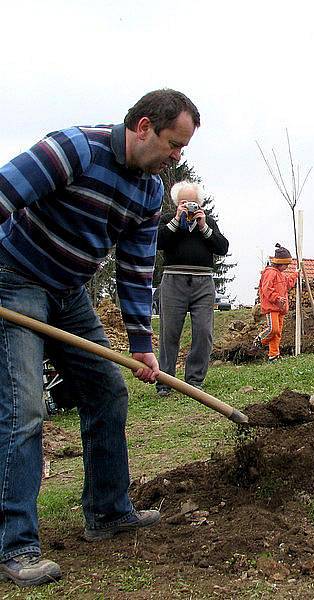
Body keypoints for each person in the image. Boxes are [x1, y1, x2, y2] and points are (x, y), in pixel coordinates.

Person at [0, 89, 200, 587]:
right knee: (25, 409)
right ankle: (15, 544)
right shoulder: (74, 149)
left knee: (107, 392)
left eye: (183, 150)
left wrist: (141, 344)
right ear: (143, 127)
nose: (177, 157)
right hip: (14, 281)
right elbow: (4, 192)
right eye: (173, 145)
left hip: (68, 293)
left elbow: (134, 270)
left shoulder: (151, 192)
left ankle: (109, 513)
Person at [156, 181, 230, 397]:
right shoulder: (167, 220)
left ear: (200, 204)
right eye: (184, 202)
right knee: (169, 332)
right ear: (177, 203)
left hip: (203, 282)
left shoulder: (208, 223)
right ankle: (165, 382)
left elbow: (222, 247)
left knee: (203, 332)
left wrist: (204, 227)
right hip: (173, 280)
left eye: (193, 203)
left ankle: (194, 381)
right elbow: (158, 242)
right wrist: (176, 220)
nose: (189, 206)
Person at [256, 244, 299, 361]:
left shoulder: (281, 274)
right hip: (272, 307)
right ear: (279, 263)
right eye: (286, 265)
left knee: (277, 332)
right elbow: (266, 289)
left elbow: (289, 284)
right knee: (273, 329)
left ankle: (273, 355)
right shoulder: (270, 272)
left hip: (281, 309)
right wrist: (277, 298)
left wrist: (296, 274)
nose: (287, 267)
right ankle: (260, 340)